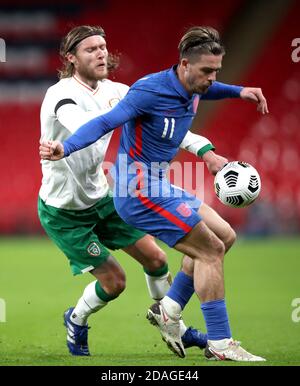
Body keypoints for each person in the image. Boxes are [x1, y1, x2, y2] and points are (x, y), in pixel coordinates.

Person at [40, 26, 269, 361]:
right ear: (71, 58)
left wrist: (212, 136)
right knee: (120, 280)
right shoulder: (62, 95)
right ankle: (78, 319)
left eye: (103, 46)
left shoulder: (125, 90)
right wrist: (66, 146)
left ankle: (168, 311)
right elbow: (94, 122)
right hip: (68, 207)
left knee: (213, 240)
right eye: (91, 49)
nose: (102, 53)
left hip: (105, 196)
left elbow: (169, 117)